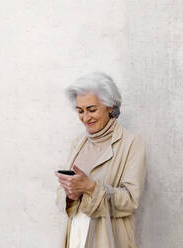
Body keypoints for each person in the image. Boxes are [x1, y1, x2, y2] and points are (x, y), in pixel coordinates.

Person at [55, 72, 146, 248]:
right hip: (75, 236)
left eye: (92, 109)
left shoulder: (131, 143)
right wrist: (70, 195)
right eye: (80, 111)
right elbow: (60, 197)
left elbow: (130, 200)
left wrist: (91, 187)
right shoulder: (78, 143)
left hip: (108, 239)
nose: (86, 118)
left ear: (110, 106)